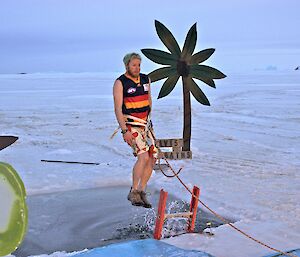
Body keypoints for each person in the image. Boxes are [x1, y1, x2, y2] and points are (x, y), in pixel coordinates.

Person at [113, 52, 158, 208]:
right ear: (127, 65)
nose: (137, 68)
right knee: (143, 157)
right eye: (134, 65)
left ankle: (141, 191)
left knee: (152, 157)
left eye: (139, 65)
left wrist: (149, 120)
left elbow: (149, 99)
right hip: (132, 125)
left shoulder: (146, 79)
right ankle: (133, 191)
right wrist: (125, 131)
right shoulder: (120, 82)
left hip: (146, 124)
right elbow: (118, 109)